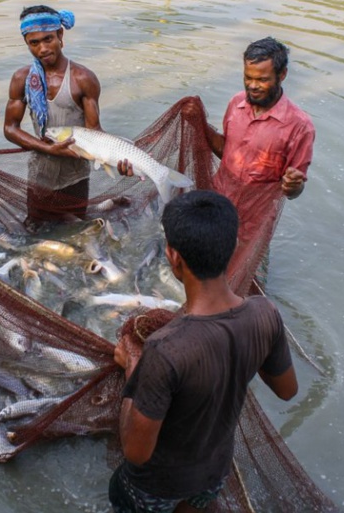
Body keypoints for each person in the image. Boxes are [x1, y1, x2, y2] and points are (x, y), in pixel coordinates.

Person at [110, 190, 298, 512]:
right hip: (213, 477)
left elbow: (136, 451)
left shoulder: (164, 348)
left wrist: (133, 365)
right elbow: (287, 390)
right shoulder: (265, 313)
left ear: (174, 258)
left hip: (155, 488)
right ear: (233, 246)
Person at [3, 5, 128, 227]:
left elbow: (94, 131)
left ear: (60, 35)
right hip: (41, 171)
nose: (42, 49)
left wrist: (118, 158)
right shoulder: (22, 79)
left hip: (76, 173)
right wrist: (48, 149)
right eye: (34, 43)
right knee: (35, 226)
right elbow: (10, 128)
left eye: (48, 39)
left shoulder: (83, 78)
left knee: (76, 226)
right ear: (26, 43)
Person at [205, 37, 315, 200]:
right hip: (218, 198)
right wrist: (199, 122)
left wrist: (293, 185)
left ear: (282, 74)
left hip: (256, 215)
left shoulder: (300, 126)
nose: (253, 86)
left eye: (262, 80)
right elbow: (227, 152)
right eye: (248, 78)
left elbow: (293, 192)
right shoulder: (236, 103)